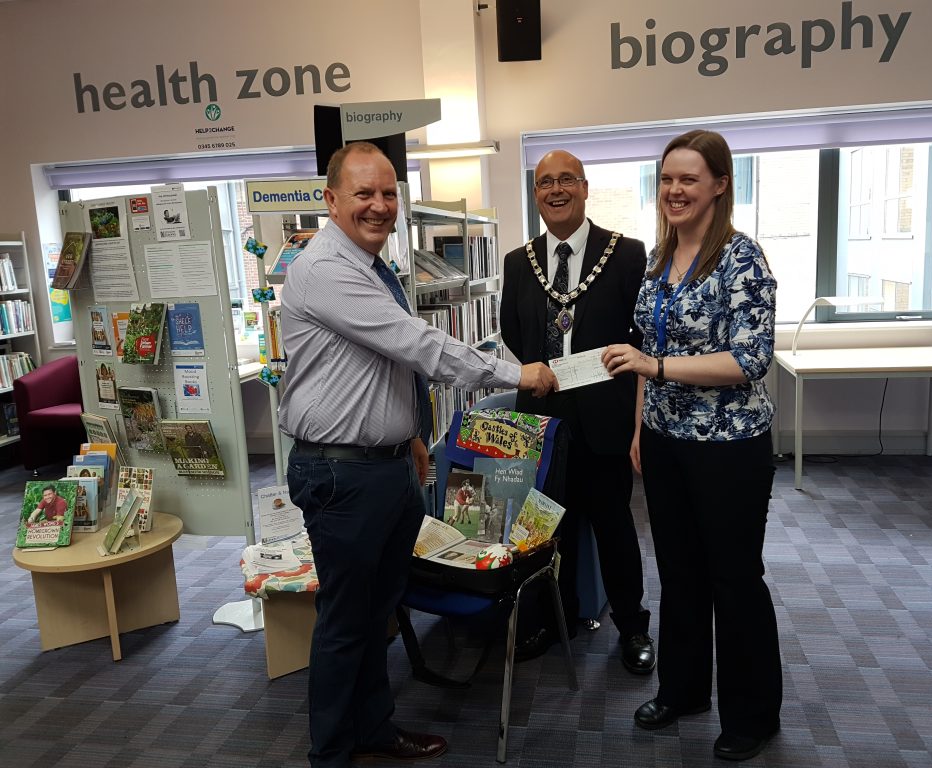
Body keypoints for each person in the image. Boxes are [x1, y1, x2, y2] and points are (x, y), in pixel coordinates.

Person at [277, 141, 557, 768]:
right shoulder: (327, 267)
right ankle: (332, 753)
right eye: (363, 194)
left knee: (377, 611)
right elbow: (418, 344)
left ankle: (373, 730)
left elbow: (375, 364)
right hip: (342, 472)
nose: (379, 206)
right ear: (330, 200)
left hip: (382, 465)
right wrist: (515, 374)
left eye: (388, 194)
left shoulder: (374, 266)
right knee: (347, 621)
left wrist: (408, 430)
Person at [601, 129, 781, 762]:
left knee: (734, 578)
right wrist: (638, 431)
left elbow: (750, 359)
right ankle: (683, 690)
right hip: (666, 440)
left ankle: (752, 714)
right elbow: (646, 355)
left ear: (720, 186)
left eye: (688, 180)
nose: (674, 191)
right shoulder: (658, 260)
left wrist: (656, 370)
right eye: (667, 179)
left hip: (730, 445)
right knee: (678, 575)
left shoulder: (741, 259)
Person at [499, 149, 655, 674]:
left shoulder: (627, 254)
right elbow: (515, 335)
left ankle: (633, 627)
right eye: (545, 182)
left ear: (586, 188)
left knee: (614, 528)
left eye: (567, 180)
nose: (556, 190)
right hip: (541, 423)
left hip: (605, 422)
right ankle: (550, 621)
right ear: (536, 193)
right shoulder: (518, 262)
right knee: (544, 531)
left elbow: (640, 339)